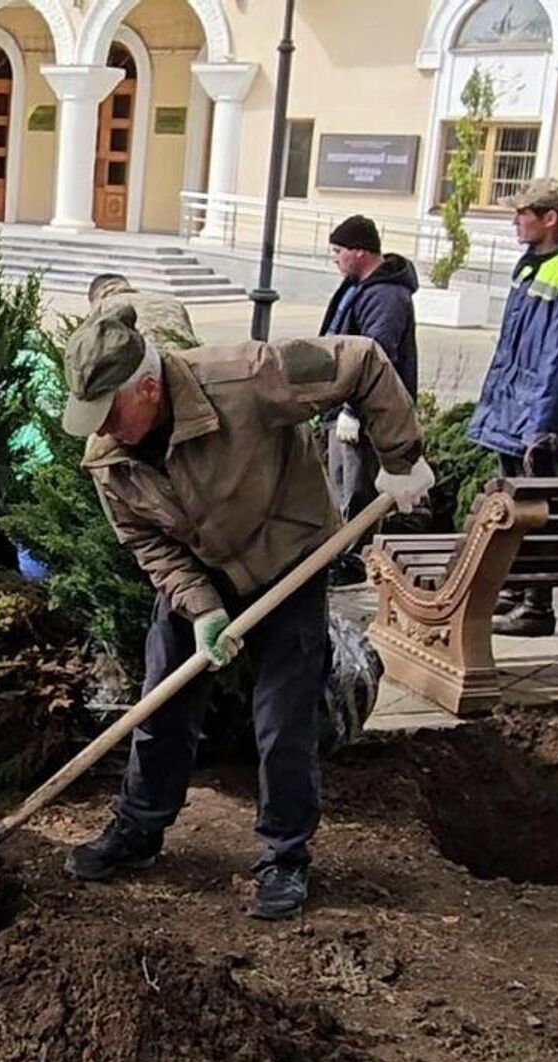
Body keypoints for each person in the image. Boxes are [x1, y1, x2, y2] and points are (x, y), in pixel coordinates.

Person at [58, 304, 435, 920]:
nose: (102, 430)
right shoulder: (111, 460)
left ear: (148, 387)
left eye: (109, 413)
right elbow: (147, 543)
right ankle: (139, 830)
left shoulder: (246, 377)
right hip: (202, 571)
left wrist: (400, 459)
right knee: (162, 702)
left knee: (282, 719)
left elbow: (364, 360)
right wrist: (202, 609)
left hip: (290, 558)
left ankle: (285, 855)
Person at [466, 178, 558, 638]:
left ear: (550, 218)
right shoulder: (535, 263)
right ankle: (514, 590)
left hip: (538, 418)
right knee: (513, 507)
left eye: (522, 213)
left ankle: (536, 607)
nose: (514, 220)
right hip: (517, 409)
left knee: (536, 511)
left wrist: (541, 427)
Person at [317, 215, 421, 588]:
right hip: (344, 407)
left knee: (357, 487)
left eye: (338, 250)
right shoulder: (358, 286)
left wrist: (353, 410)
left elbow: (378, 358)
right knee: (340, 484)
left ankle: (353, 561)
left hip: (368, 413)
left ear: (360, 251)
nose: (334, 257)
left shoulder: (386, 296)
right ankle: (338, 553)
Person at [88, 272, 200, 350]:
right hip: (186, 362)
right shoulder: (171, 301)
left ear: (95, 298)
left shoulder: (102, 307)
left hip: (144, 369)